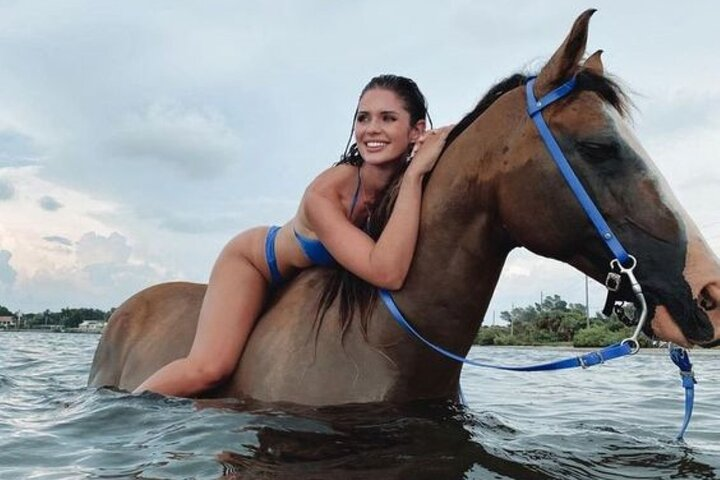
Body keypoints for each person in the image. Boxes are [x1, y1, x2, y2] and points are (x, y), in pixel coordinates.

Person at [133, 74, 452, 397]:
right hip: (255, 264)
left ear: (417, 130)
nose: (371, 129)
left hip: (311, 283)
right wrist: (414, 175)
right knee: (209, 369)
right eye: (363, 117)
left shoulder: (413, 175)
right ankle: (119, 413)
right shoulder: (325, 194)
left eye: (388, 118)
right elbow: (387, 271)